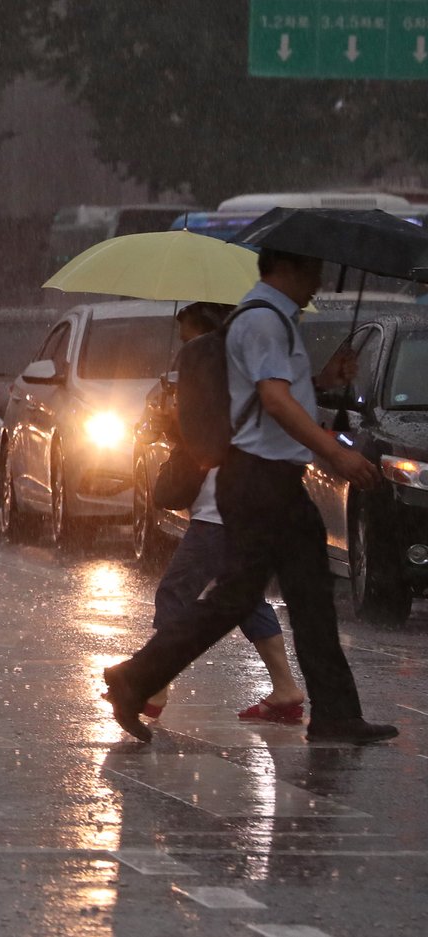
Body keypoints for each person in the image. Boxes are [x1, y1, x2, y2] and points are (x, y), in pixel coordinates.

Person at [102, 250, 398, 746]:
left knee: (306, 596)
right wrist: (335, 453)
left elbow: (280, 392)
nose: (318, 285)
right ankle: (135, 679)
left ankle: (336, 715)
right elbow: (275, 401)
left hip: (271, 479)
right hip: (259, 480)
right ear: (291, 269)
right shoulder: (263, 320)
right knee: (240, 598)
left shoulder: (274, 319)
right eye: (314, 272)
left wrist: (324, 380)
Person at [141, 302, 305, 725]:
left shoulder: (215, 372)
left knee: (175, 594)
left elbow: (208, 438)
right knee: (242, 597)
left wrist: (170, 420)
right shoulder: (245, 367)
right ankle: (285, 689)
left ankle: (155, 686)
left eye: (187, 339)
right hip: (246, 503)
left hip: (220, 506)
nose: (184, 349)